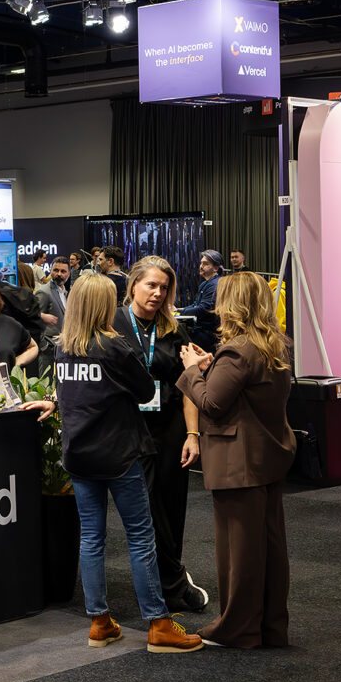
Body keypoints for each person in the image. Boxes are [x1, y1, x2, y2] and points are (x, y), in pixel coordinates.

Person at [24, 274, 204, 655]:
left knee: (92, 538)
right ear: (103, 306)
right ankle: (158, 623)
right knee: (140, 537)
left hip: (79, 456)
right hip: (119, 455)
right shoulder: (115, 347)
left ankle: (100, 621)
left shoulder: (63, 347)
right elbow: (145, 390)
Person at [178, 272, 296, 648]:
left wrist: (190, 372)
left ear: (234, 306)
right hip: (265, 457)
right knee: (269, 548)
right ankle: (270, 626)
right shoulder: (273, 344)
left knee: (239, 552)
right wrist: (211, 369)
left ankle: (238, 628)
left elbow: (212, 403)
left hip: (238, 463)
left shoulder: (238, 350)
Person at [117, 256, 210, 613]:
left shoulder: (173, 330)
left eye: (164, 287)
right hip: (129, 428)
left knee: (171, 506)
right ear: (133, 285)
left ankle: (169, 578)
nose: (157, 293)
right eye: (151, 285)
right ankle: (174, 580)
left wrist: (193, 434)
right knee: (147, 509)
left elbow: (187, 386)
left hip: (170, 427)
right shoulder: (113, 324)